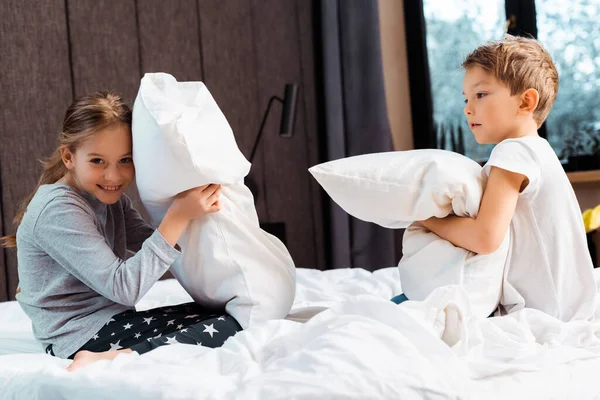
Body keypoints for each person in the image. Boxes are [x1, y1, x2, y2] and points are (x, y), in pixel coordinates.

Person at [1, 91, 242, 371]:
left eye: (125, 160)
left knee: (226, 313)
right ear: (69, 157)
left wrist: (195, 212)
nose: (113, 177)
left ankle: (122, 351)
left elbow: (152, 243)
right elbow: (124, 288)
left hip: (108, 323)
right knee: (231, 326)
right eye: (97, 161)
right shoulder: (58, 209)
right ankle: (113, 358)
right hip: (79, 337)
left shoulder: (109, 198)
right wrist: (178, 215)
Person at [394, 35, 596, 322]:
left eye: (481, 94)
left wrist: (425, 218)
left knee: (405, 311)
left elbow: (485, 237)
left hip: (545, 312)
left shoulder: (512, 152)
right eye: (466, 98)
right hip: (568, 305)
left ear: (526, 101)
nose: (467, 108)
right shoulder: (538, 149)